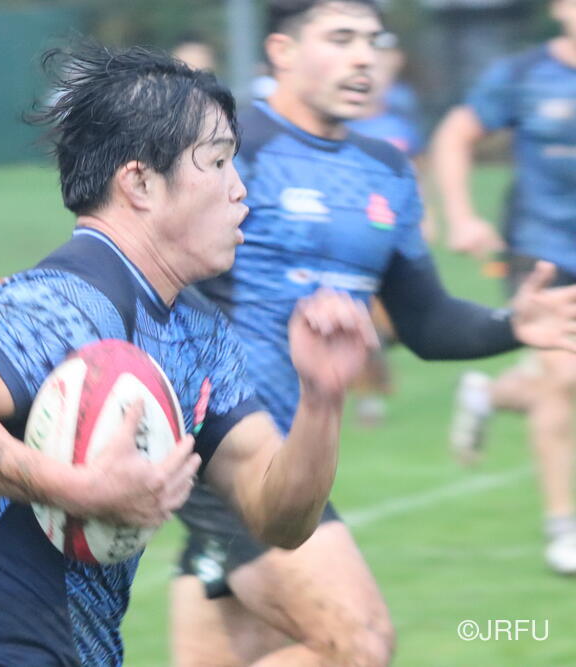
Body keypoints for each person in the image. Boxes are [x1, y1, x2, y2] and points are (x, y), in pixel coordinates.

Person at [0, 44, 379, 666]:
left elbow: (279, 519)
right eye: (217, 162)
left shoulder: (199, 332)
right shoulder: (63, 302)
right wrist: (77, 488)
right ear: (139, 183)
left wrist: (321, 399)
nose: (242, 190)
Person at [172, 1, 576, 664]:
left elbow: (425, 321)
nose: (364, 57)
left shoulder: (386, 169)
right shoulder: (229, 149)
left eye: (372, 40)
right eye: (340, 39)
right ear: (282, 52)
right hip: (229, 446)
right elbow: (150, 272)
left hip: (299, 460)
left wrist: (516, 324)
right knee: (358, 644)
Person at [432, 0, 576, 574]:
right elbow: (454, 134)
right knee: (564, 379)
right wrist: (462, 215)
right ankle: (562, 528)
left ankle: (488, 395)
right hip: (541, 255)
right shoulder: (523, 75)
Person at [346, 40, 435, 426]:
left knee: (394, 325)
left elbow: (417, 171)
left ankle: (372, 372)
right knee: (366, 318)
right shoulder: (345, 126)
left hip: (398, 233)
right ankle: (368, 396)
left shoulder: (399, 125)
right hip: (360, 235)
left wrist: (426, 214)